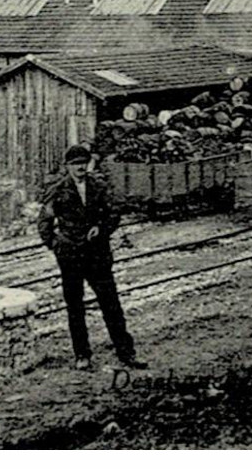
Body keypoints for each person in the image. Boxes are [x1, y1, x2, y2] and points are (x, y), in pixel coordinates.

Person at [37, 145, 147, 371]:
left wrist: (102, 228)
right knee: (75, 307)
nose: (80, 167)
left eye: (83, 163)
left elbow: (114, 213)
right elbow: (44, 221)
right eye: (75, 163)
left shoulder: (99, 186)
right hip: (70, 257)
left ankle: (126, 353)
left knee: (111, 304)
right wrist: (55, 244)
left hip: (97, 254)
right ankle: (82, 355)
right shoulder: (57, 190)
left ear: (89, 164)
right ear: (67, 166)